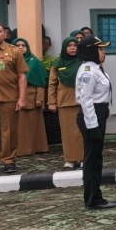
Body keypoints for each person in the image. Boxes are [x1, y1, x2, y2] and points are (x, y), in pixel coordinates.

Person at [75, 35, 116, 209]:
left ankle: (96, 196)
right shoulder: (87, 71)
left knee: (96, 158)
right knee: (92, 159)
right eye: (100, 49)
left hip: (98, 114)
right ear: (91, 50)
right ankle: (92, 199)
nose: (103, 52)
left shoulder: (96, 68)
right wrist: (93, 126)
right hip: (91, 116)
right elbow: (86, 100)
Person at [48, 37, 84, 169]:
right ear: (64, 48)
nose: (73, 47)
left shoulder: (83, 63)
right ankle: (70, 159)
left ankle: (82, 157)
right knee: (67, 132)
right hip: (64, 102)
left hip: (81, 102)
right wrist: (51, 102)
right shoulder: (57, 65)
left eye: (75, 45)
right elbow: (52, 84)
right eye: (69, 45)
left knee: (81, 131)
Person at [0, 23, 27, 173]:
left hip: (8, 98)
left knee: (8, 131)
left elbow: (22, 76)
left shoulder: (14, 51)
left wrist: (21, 98)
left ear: (5, 34)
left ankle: (8, 160)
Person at [13, 38, 49, 156]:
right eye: (17, 45)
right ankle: (19, 150)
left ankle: (36, 147)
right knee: (18, 126)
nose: (21, 47)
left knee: (33, 124)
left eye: (24, 45)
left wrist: (39, 98)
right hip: (13, 97)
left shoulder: (34, 62)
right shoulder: (9, 61)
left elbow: (40, 81)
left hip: (31, 98)